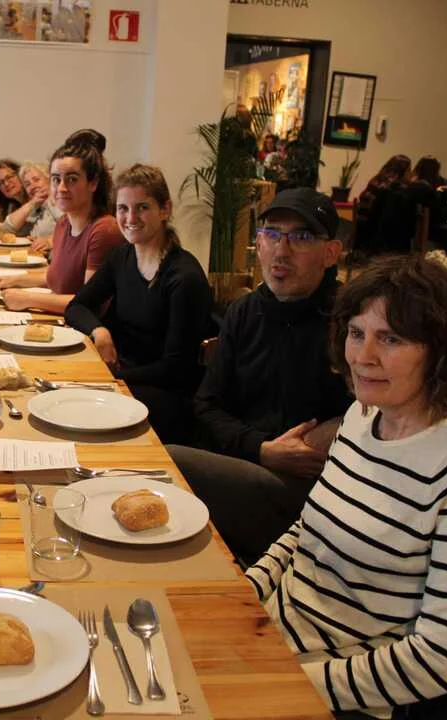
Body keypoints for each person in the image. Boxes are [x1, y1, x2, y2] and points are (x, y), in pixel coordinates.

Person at [246, 255, 447, 719]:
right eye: (357, 333)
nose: (363, 356)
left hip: (339, 689)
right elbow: (305, 533)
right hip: (270, 637)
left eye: (391, 339)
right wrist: (244, 594)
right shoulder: (362, 417)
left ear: (440, 351)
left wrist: (289, 682)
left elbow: (440, 661)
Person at [165, 187, 353, 566]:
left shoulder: (351, 321)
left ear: (331, 253)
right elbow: (206, 404)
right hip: (248, 464)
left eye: (301, 237)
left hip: (314, 491)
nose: (282, 251)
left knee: (169, 464)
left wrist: (333, 429)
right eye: (271, 234)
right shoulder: (245, 312)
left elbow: (378, 412)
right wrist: (260, 448)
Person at [65, 164, 211, 443]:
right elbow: (76, 307)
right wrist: (100, 331)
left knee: (73, 409)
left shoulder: (184, 277)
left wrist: (112, 377)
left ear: (165, 209)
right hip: (122, 378)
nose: (130, 218)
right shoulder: (122, 257)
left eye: (142, 207)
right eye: (123, 208)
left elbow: (175, 369)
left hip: (164, 397)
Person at [0, 142, 122, 314]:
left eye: (72, 179)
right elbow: (55, 278)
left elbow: (89, 303)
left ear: (93, 183)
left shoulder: (104, 230)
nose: (61, 188)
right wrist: (13, 281)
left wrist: (27, 299)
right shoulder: (63, 223)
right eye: (56, 179)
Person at [2, 161, 63, 250]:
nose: (33, 186)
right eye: (27, 184)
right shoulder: (37, 207)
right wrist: (32, 204)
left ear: (49, 179)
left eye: (36, 180)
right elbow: (7, 229)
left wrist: (50, 241)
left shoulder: (59, 200)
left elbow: (75, 230)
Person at [0, 158, 28, 228]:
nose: (6, 184)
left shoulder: (36, 201)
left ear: (20, 174)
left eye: (9, 177)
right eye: (1, 183)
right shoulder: (11, 208)